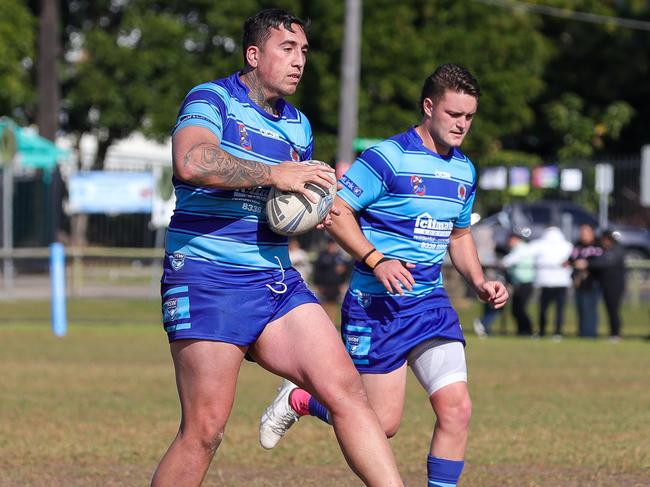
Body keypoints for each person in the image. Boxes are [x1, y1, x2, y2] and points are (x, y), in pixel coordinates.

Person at [152, 9, 403, 487]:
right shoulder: (213, 99)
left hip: (275, 279)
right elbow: (189, 160)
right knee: (204, 430)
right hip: (209, 278)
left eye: (304, 51)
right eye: (287, 50)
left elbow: (288, 206)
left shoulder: (299, 126)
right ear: (254, 55)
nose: (299, 61)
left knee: (347, 390)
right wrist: (275, 174)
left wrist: (319, 200)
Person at [259, 64, 509, 487]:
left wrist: (479, 282)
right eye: (454, 115)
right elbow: (334, 212)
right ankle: (300, 398)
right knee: (382, 424)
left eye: (469, 117)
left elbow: (460, 234)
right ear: (429, 107)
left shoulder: (464, 170)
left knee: (457, 409)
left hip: (430, 305)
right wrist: (377, 260)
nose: (462, 125)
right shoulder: (387, 157)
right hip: (378, 307)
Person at [577, 230, 626, 340]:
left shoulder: (617, 250)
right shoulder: (605, 250)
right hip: (605, 284)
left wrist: (587, 263)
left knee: (613, 310)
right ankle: (613, 333)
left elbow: (605, 262)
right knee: (609, 310)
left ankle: (615, 334)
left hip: (615, 285)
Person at [527, 226, 573, 339]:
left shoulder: (540, 245)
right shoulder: (567, 246)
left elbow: (523, 253)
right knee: (559, 310)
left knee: (543, 309)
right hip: (561, 283)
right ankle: (557, 333)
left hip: (546, 283)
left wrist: (506, 261)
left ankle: (542, 332)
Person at [569, 224, 603, 338]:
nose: (583, 235)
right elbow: (571, 259)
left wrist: (586, 264)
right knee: (581, 309)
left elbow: (601, 262)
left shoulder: (598, 246)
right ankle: (582, 332)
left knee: (590, 309)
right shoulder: (577, 246)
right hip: (579, 283)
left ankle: (590, 333)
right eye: (582, 233)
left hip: (592, 283)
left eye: (586, 233)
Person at [501, 232, 535, 336]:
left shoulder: (521, 249)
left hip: (525, 283)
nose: (509, 242)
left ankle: (527, 331)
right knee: (516, 309)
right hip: (520, 283)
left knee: (520, 309)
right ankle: (522, 331)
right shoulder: (520, 248)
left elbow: (507, 261)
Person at [312, 238, 351, 305]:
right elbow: (317, 271)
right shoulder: (322, 256)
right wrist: (317, 284)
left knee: (333, 304)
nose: (332, 247)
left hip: (336, 285)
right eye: (330, 245)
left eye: (333, 245)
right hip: (324, 285)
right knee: (324, 304)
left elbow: (346, 270)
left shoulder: (340, 256)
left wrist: (343, 282)